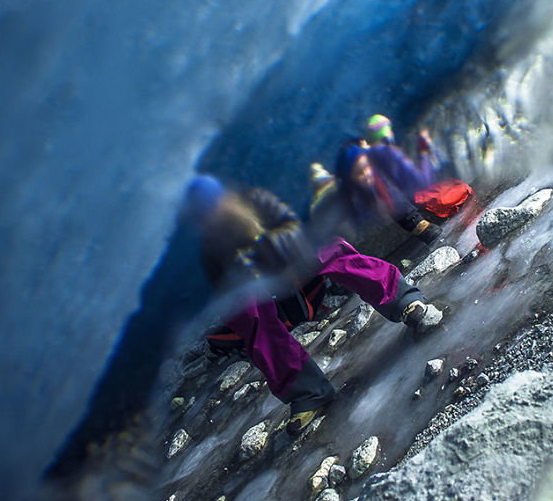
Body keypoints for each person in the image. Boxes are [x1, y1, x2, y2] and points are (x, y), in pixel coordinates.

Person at [184, 174, 443, 436]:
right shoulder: (212, 252)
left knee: (329, 251)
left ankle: (402, 299)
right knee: (248, 317)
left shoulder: (258, 200)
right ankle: (307, 393)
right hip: (261, 283)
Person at [309, 140, 441, 247]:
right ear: (350, 178)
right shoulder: (345, 197)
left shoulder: (379, 181)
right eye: (359, 173)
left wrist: (422, 228)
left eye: (367, 168)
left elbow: (401, 205)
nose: (366, 174)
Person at [364, 113, 445, 201]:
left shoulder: (370, 158)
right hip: (421, 203)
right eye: (390, 130)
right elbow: (423, 182)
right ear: (385, 133)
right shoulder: (390, 153)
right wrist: (424, 151)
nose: (392, 133)